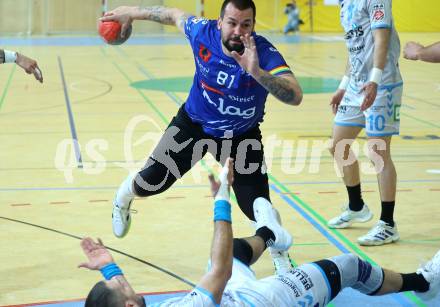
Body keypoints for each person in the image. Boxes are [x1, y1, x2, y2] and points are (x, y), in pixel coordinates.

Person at [100, 0, 303, 272]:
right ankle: (123, 197)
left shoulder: (263, 52)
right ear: (220, 22)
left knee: (257, 204)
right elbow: (172, 14)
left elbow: (295, 95)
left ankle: (281, 259)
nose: (237, 31)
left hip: (241, 135)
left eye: (246, 25)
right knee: (150, 183)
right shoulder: (201, 32)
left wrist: (257, 73)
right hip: (193, 125)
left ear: (253, 26)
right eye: (231, 23)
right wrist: (131, 13)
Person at [79, 159, 440, 306]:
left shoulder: (129, 304)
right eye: (121, 283)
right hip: (263, 302)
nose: (123, 280)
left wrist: (110, 267)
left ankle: (269, 234)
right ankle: (422, 283)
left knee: (234, 250)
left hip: (232, 295)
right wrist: (222, 199)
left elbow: (124, 297)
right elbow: (217, 273)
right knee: (346, 266)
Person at [327, 0, 403, 246]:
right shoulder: (344, 3)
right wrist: (342, 86)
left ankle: (388, 224)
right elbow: (354, 49)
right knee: (338, 145)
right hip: (355, 85)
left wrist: (375, 80)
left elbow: (382, 38)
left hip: (381, 84)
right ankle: (357, 206)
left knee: (378, 152)